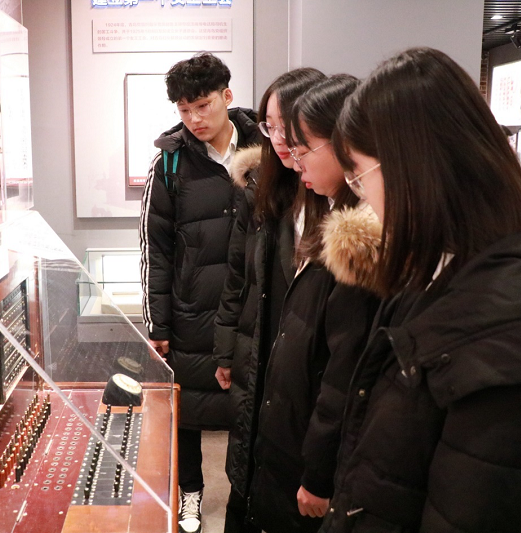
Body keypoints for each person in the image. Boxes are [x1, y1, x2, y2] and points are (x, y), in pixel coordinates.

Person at [323, 47, 521, 532]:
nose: (362, 197)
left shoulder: (513, 322)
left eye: (359, 175)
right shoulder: (441, 268)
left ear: (412, 167)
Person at [243, 75, 381, 533]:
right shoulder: (320, 210)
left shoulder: (358, 240)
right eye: (273, 130)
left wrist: (318, 471)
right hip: (291, 429)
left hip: (313, 443)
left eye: (303, 145)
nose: (291, 154)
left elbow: (344, 371)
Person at [139, 52, 262, 533]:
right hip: (191, 309)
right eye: (184, 109)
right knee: (186, 410)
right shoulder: (170, 162)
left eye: (203, 105)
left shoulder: (265, 150)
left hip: (250, 307)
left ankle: (243, 497)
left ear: (227, 96)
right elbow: (155, 248)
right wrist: (158, 322)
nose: (194, 119)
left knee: (248, 407)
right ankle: (189, 493)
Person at [212, 67, 326, 533]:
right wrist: (225, 349)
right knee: (248, 459)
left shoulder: (332, 197)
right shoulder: (259, 188)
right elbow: (237, 275)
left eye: (289, 127)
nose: (279, 139)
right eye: (270, 126)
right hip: (255, 344)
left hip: (299, 357)